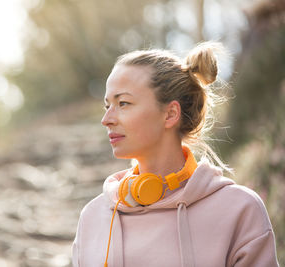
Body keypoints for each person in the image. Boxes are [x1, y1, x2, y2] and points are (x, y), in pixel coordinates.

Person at [71, 42, 279, 267]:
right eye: (107, 106)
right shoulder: (94, 217)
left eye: (123, 103)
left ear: (170, 114)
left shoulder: (240, 210)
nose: (107, 119)